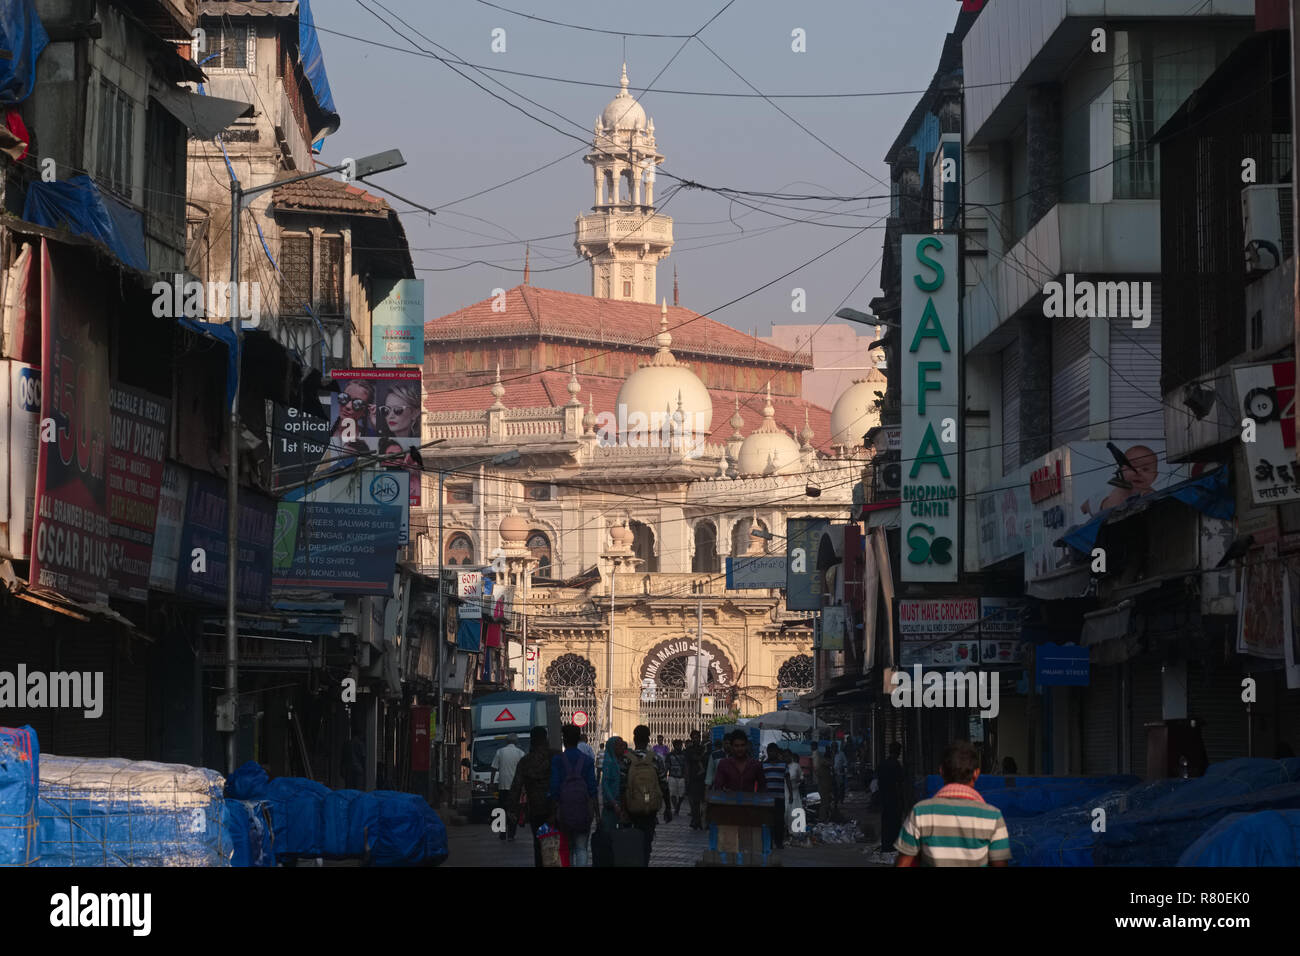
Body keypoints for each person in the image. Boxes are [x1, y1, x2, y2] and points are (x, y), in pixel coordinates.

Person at [896, 740, 1010, 868]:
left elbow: (903, 862)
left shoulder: (920, 812)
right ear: (976, 773)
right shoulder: (993, 816)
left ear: (941, 772)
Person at [508, 727, 558, 868]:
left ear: (532, 741)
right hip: (555, 808)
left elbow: (516, 787)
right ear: (545, 739)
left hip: (536, 809)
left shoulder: (526, 761)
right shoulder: (555, 756)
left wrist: (511, 809)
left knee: (538, 845)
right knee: (556, 844)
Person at [622, 725, 671, 866]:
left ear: (634, 739)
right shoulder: (655, 759)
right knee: (646, 841)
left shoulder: (626, 759)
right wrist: (667, 808)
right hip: (650, 808)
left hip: (631, 808)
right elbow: (663, 784)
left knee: (631, 842)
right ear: (649, 739)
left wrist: (622, 809)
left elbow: (621, 786)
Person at [550, 724, 597, 867]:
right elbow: (592, 788)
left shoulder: (558, 760)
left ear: (564, 740)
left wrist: (554, 809)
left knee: (566, 848)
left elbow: (554, 786)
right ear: (578, 740)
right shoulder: (587, 761)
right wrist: (596, 812)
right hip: (583, 810)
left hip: (564, 811)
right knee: (581, 848)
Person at [489, 734, 524, 842]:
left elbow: (493, 768)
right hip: (515, 787)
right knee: (513, 810)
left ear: (506, 742)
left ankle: (502, 833)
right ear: (516, 742)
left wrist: (492, 782)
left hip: (503, 786)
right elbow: (523, 770)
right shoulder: (520, 753)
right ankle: (511, 834)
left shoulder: (500, 752)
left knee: (502, 809)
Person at [876, 741, 907, 853]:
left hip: (884, 797)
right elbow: (901, 781)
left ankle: (886, 845)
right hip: (894, 797)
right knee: (894, 822)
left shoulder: (882, 764)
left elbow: (878, 780)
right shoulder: (896, 765)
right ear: (898, 752)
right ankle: (893, 845)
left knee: (886, 822)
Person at [761, 743, 788, 849]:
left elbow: (788, 779)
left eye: (774, 751)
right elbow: (761, 781)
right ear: (767, 752)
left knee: (779, 821)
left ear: (777, 752)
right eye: (770, 751)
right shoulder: (763, 765)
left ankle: (779, 842)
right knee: (768, 821)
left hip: (780, 797)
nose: (772, 753)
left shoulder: (783, 765)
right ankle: (769, 842)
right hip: (767, 798)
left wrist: (789, 794)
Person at [683, 730, 707, 829]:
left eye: (697, 737)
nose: (696, 739)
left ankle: (699, 820)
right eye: (694, 737)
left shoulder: (703, 748)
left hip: (702, 778)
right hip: (693, 778)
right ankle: (696, 820)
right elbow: (687, 764)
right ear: (692, 738)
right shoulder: (689, 750)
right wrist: (687, 778)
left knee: (703, 801)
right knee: (694, 801)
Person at [813, 742, 835, 818]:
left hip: (825, 786)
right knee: (824, 802)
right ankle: (823, 817)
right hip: (824, 787)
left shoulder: (824, 766)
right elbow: (831, 763)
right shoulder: (823, 764)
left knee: (825, 802)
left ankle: (825, 816)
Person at [666, 739, 688, 815]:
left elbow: (686, 766)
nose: (679, 747)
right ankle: (676, 807)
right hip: (672, 776)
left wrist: (686, 776)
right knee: (672, 793)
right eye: (678, 745)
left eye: (680, 745)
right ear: (674, 746)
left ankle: (678, 805)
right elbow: (667, 766)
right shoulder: (669, 755)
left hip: (681, 776)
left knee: (682, 794)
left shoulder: (684, 755)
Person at [784, 748, 803, 834]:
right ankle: (786, 830)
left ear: (791, 756)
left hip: (794, 792)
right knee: (785, 812)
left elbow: (801, 777)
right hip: (784, 791)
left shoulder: (796, 766)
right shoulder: (782, 766)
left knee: (794, 811)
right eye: (785, 756)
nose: (786, 758)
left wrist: (797, 784)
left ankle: (795, 831)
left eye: (787, 756)